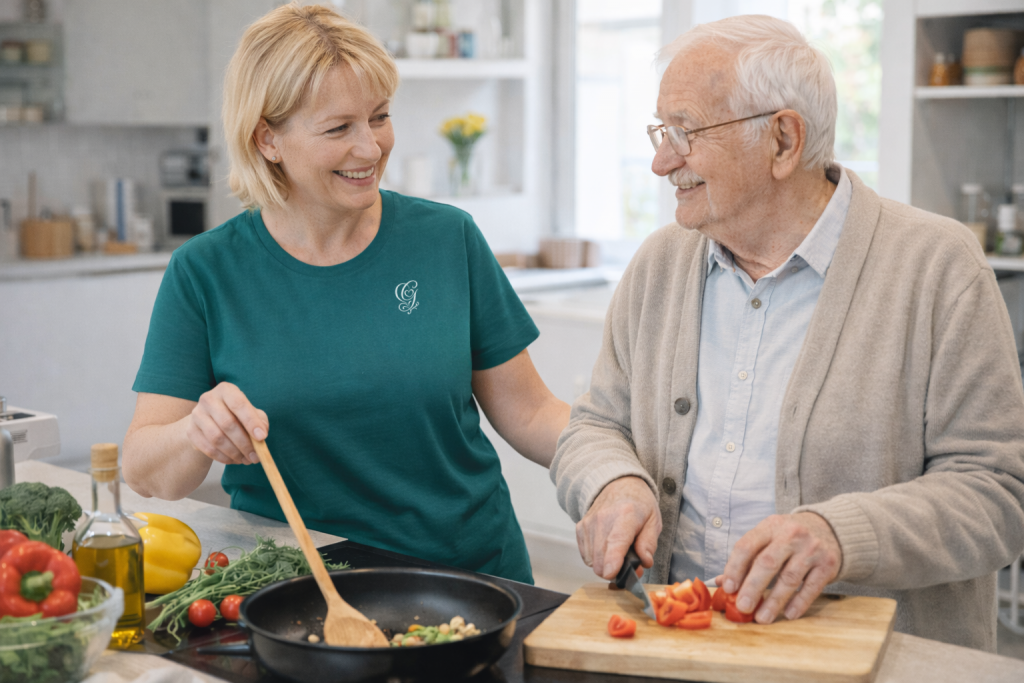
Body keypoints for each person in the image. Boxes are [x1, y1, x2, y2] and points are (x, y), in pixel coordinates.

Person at [552, 14, 1024, 650]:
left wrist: (837, 536)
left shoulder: (938, 266)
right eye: (662, 131)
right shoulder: (660, 262)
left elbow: (998, 493)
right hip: (681, 648)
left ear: (782, 140)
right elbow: (595, 425)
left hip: (871, 660)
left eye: (686, 132)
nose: (663, 161)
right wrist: (611, 480)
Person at [122, 3, 569, 585]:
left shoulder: (446, 238)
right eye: (339, 128)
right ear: (269, 140)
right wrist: (194, 432)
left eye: (378, 117)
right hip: (296, 589)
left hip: (470, 578)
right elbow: (147, 469)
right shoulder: (205, 271)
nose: (371, 147)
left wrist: (616, 466)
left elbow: (531, 411)